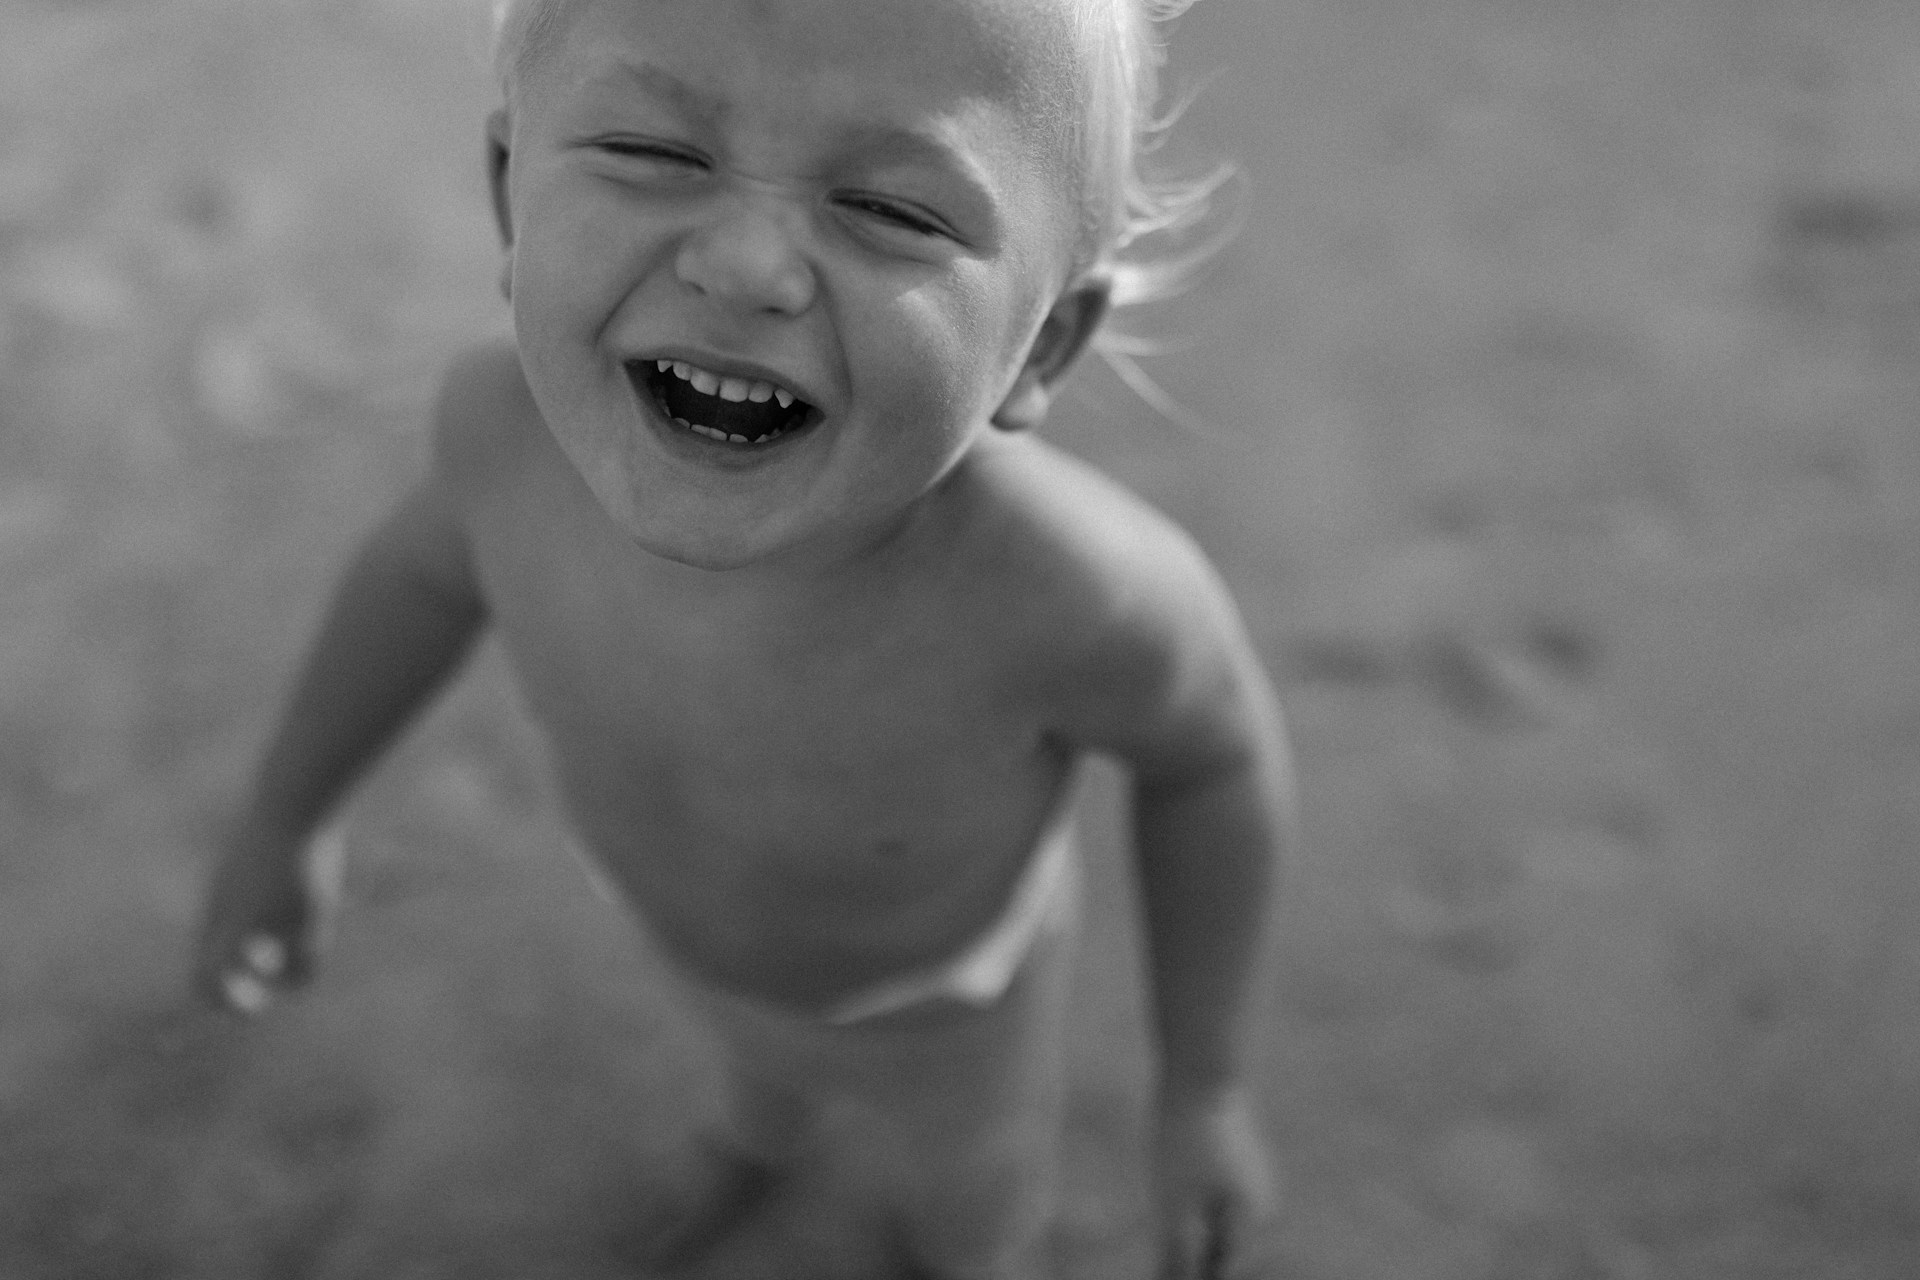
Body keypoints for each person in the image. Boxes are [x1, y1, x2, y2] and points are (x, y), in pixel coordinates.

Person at [192, 0, 1294, 1275]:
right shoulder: (497, 438)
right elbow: (417, 578)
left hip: (944, 1005)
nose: (747, 266)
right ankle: (758, 1139)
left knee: (972, 1182)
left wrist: (1203, 1085)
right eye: (655, 152)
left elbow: (1213, 758)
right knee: (751, 1076)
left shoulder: (1073, 592)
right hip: (682, 934)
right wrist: (288, 813)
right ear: (509, 195)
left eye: (896, 210)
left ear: (1042, 340)